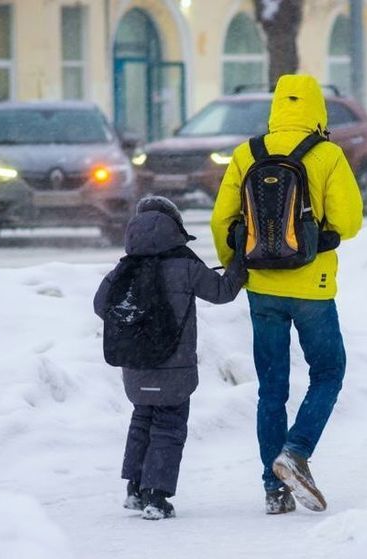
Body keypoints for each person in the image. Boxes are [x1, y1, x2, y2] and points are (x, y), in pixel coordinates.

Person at [210, 74, 363, 514]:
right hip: (312, 287)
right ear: (318, 110)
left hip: (262, 290)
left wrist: (241, 266)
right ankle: (295, 451)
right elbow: (349, 222)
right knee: (329, 371)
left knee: (271, 388)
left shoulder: (246, 153)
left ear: (276, 108)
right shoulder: (327, 154)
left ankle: (272, 491)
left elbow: (223, 220)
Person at [94, 196, 247, 520]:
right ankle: (156, 497)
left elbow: (100, 305)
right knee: (168, 426)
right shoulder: (185, 263)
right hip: (174, 368)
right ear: (174, 227)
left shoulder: (125, 267)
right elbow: (223, 292)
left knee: (142, 421)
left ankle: (135, 490)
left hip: (136, 366)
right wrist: (240, 262)